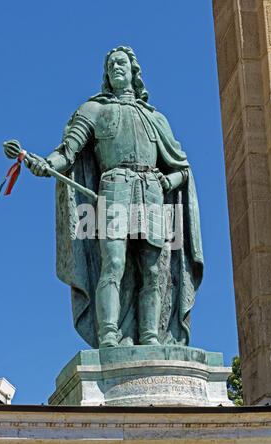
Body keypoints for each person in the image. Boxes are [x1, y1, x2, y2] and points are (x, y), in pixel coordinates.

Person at [25, 46, 204, 349]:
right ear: (106, 75)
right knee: (114, 263)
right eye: (110, 65)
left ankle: (150, 336)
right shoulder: (93, 110)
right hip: (114, 188)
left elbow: (182, 169)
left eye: (121, 63)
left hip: (150, 190)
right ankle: (108, 334)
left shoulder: (155, 117)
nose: (116, 68)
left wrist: (166, 180)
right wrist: (44, 165)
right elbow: (68, 153)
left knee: (151, 270)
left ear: (134, 71)